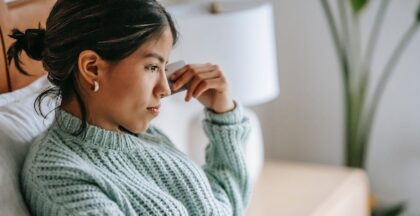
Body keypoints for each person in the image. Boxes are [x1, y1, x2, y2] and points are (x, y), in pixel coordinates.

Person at [8, 0, 252, 215]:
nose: (165, 89)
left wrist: (224, 115)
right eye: (152, 67)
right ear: (92, 68)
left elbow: (222, 209)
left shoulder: (143, 137)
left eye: (163, 66)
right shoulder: (59, 177)